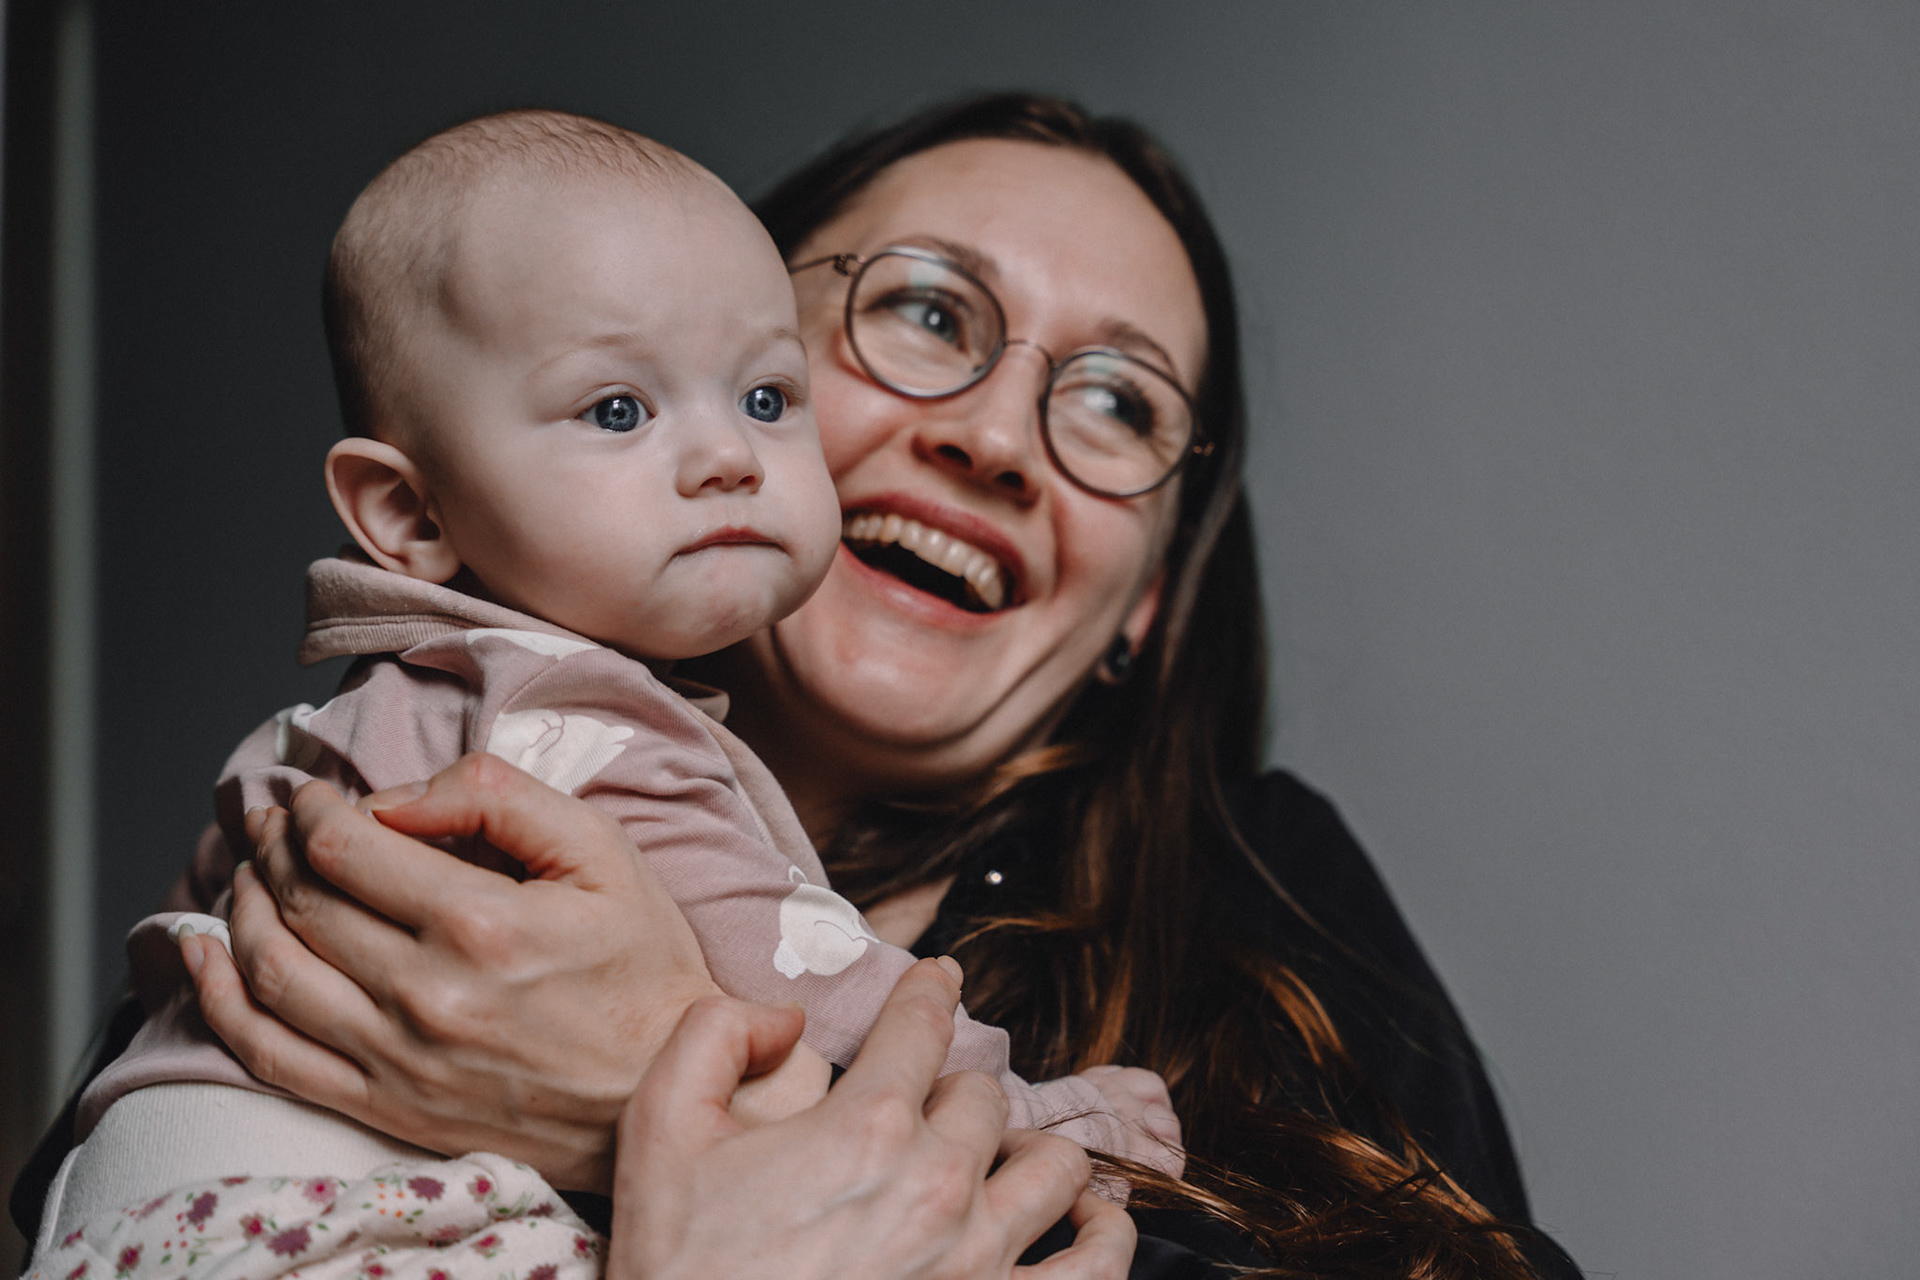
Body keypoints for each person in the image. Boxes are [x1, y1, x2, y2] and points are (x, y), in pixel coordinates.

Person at [17, 94, 1578, 1278]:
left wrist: (672, 1091)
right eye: (925, 312)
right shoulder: (383, 776)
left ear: (1148, 603)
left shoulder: (1266, 894)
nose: (995, 437)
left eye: (1118, 403)